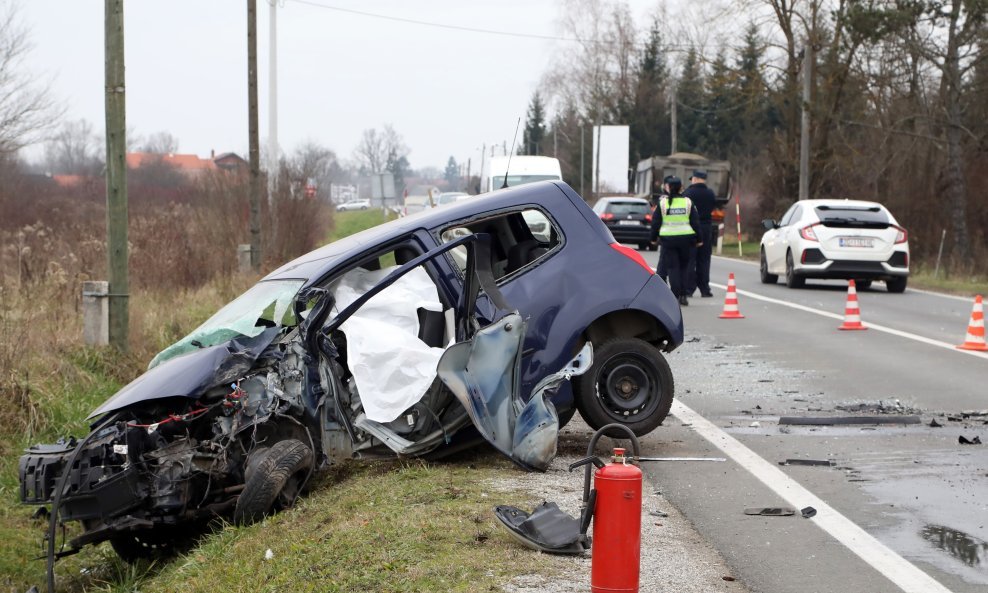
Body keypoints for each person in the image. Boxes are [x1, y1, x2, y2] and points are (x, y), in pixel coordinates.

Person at [650, 176, 701, 306]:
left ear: (668, 187)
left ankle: (675, 296)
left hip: (668, 241)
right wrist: (699, 239)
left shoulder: (663, 203)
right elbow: (695, 222)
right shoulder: (688, 202)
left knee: (673, 268)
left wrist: (653, 238)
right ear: (681, 188)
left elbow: (655, 223)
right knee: (684, 268)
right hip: (686, 240)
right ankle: (683, 295)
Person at [684, 169, 716, 297]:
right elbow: (712, 207)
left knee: (690, 259)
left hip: (691, 228)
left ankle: (689, 288)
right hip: (706, 228)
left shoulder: (688, 193)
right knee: (704, 259)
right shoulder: (710, 194)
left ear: (695, 179)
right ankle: (704, 288)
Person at [650, 176, 674, 281]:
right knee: (666, 261)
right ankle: (662, 281)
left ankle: (664, 281)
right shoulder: (664, 199)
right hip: (669, 234)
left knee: (667, 262)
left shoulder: (664, 199)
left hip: (671, 234)